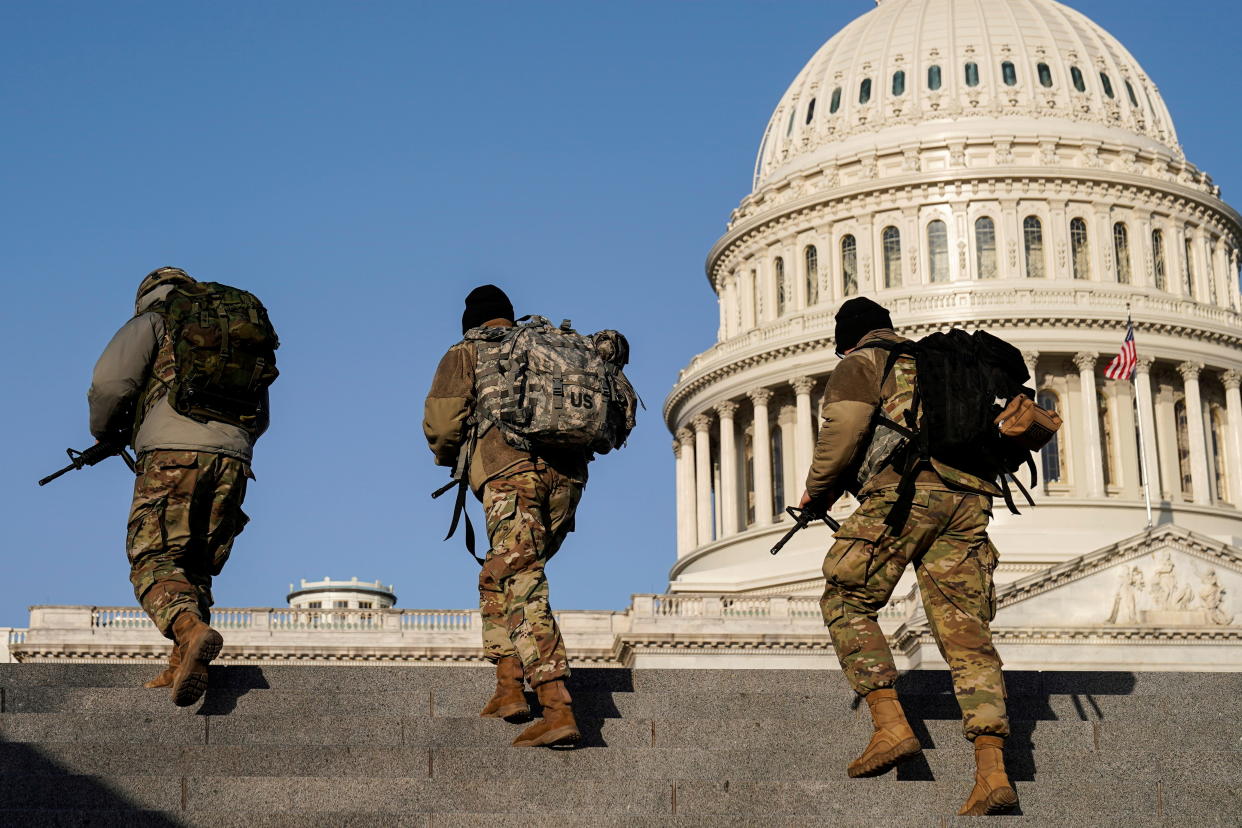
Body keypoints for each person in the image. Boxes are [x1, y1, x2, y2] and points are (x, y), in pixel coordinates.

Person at [798, 296, 1018, 816]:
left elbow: (845, 430)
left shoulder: (861, 362)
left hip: (904, 496)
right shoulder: (933, 362)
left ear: (846, 339)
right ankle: (992, 772)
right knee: (966, 634)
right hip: (969, 500)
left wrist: (817, 491)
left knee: (847, 598)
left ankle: (890, 726)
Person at [88, 267, 270, 707]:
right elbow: (260, 411)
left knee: (151, 556)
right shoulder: (236, 334)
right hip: (235, 457)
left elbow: (110, 384)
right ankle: (181, 663)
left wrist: (106, 432)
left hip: (170, 452)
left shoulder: (155, 318)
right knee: (195, 562)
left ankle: (189, 630)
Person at [423, 285, 591, 748]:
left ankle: (556, 706)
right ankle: (508, 685)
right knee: (500, 572)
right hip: (567, 481)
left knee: (520, 581)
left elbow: (442, 425)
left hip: (509, 472)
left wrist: (451, 456)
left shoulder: (467, 351)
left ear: (471, 321)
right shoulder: (545, 348)